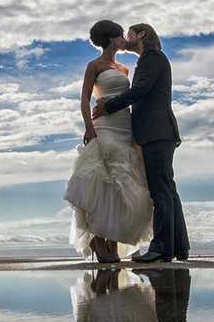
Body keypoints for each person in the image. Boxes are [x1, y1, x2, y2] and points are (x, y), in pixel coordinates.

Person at [92, 22, 189, 263]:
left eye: (129, 34)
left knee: (160, 190)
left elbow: (140, 90)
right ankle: (178, 246)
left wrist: (108, 107)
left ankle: (161, 248)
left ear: (141, 34)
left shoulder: (151, 57)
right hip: (158, 131)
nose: (126, 38)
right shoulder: (150, 59)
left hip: (156, 131)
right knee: (167, 188)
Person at [63, 20, 154, 263]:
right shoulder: (94, 65)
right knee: (102, 182)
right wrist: (88, 128)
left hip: (124, 126)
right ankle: (98, 241)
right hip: (104, 127)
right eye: (121, 35)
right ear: (112, 39)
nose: (125, 39)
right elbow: (84, 100)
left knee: (121, 187)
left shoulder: (125, 69)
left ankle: (113, 245)